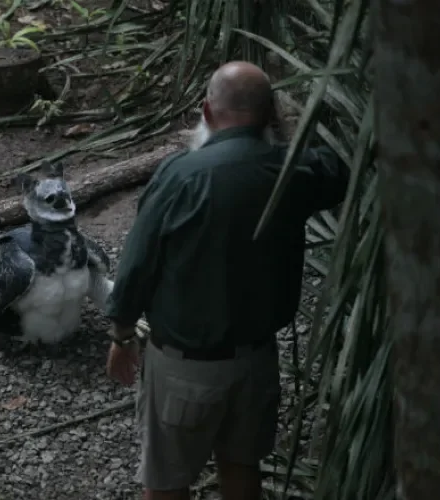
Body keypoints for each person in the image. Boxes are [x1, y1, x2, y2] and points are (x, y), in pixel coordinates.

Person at [104, 61, 350, 500]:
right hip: (256, 363)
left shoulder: (180, 174)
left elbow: (136, 266)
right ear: (270, 114)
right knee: (241, 466)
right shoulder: (296, 172)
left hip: (185, 367)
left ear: (207, 111)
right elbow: (338, 169)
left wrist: (122, 334)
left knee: (166, 481)